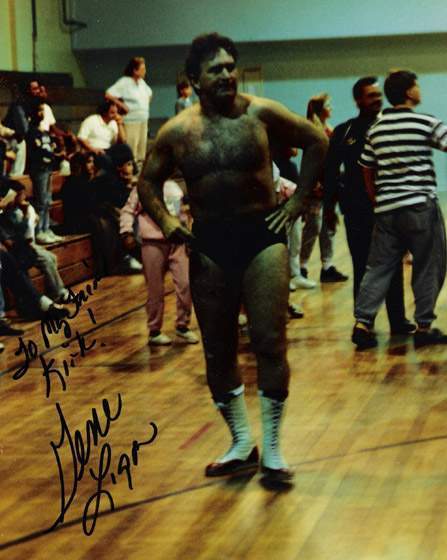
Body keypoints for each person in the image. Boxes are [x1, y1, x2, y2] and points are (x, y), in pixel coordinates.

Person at [137, 33, 328, 482]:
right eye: (215, 69)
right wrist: (165, 221)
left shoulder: (261, 113)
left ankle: (274, 450)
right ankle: (242, 443)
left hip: (262, 236)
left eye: (229, 66)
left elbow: (317, 140)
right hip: (210, 243)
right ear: (194, 80)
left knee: (269, 340)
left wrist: (299, 200)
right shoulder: (176, 131)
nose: (226, 75)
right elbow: (147, 182)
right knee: (218, 348)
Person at [353, 70, 447, 348]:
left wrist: (376, 199)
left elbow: (366, 168)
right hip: (419, 206)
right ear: (408, 92)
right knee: (428, 264)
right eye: (417, 86)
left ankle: (362, 324)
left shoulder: (376, 129)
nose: (420, 90)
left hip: (386, 209)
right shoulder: (425, 122)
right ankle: (424, 327)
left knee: (378, 268)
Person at [324, 77, 413, 348]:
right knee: (362, 266)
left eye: (378, 95)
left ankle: (398, 320)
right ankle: (365, 325)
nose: (377, 99)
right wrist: (329, 209)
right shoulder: (345, 131)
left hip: (390, 207)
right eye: (370, 95)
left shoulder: (391, 126)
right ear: (358, 100)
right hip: (357, 211)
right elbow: (330, 171)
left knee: (393, 264)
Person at [120, 179, 198, 346]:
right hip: (153, 242)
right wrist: (126, 231)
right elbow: (128, 210)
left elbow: (182, 212)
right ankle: (154, 330)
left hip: (178, 240)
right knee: (155, 288)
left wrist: (188, 233)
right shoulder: (144, 187)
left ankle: (182, 325)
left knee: (185, 283)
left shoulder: (176, 185)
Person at [300, 93, 348, 284]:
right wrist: (313, 182)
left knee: (329, 225)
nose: (331, 107)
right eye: (328, 105)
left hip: (330, 182)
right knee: (313, 225)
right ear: (321, 109)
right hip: (316, 183)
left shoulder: (330, 129)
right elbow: (311, 160)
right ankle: (302, 266)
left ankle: (327, 266)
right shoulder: (312, 130)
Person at [26, 99, 63, 244]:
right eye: (39, 110)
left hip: (48, 169)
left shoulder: (44, 133)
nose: (42, 113)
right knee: (41, 202)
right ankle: (39, 231)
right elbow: (37, 151)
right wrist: (53, 155)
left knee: (47, 201)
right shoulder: (32, 132)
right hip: (39, 169)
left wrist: (55, 153)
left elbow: (50, 147)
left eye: (43, 110)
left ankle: (46, 229)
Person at [106, 57, 153, 167]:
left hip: (143, 120)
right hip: (131, 121)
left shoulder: (142, 82)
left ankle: (139, 170)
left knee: (141, 150)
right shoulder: (124, 82)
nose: (145, 71)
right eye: (142, 69)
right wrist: (121, 105)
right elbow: (108, 94)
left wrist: (144, 105)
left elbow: (150, 93)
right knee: (132, 150)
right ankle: (130, 172)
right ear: (135, 70)